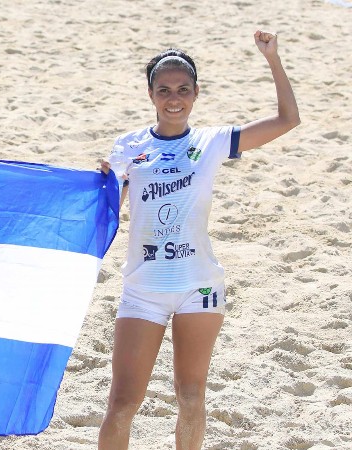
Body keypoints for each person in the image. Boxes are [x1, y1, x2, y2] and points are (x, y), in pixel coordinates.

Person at [97, 31, 299, 450]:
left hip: (199, 287)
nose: (174, 98)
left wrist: (273, 59)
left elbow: (287, 120)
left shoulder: (212, 141)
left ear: (196, 93)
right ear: (151, 94)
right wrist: (102, 185)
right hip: (143, 290)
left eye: (183, 90)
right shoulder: (128, 146)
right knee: (121, 403)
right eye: (164, 90)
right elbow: (108, 212)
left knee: (190, 397)